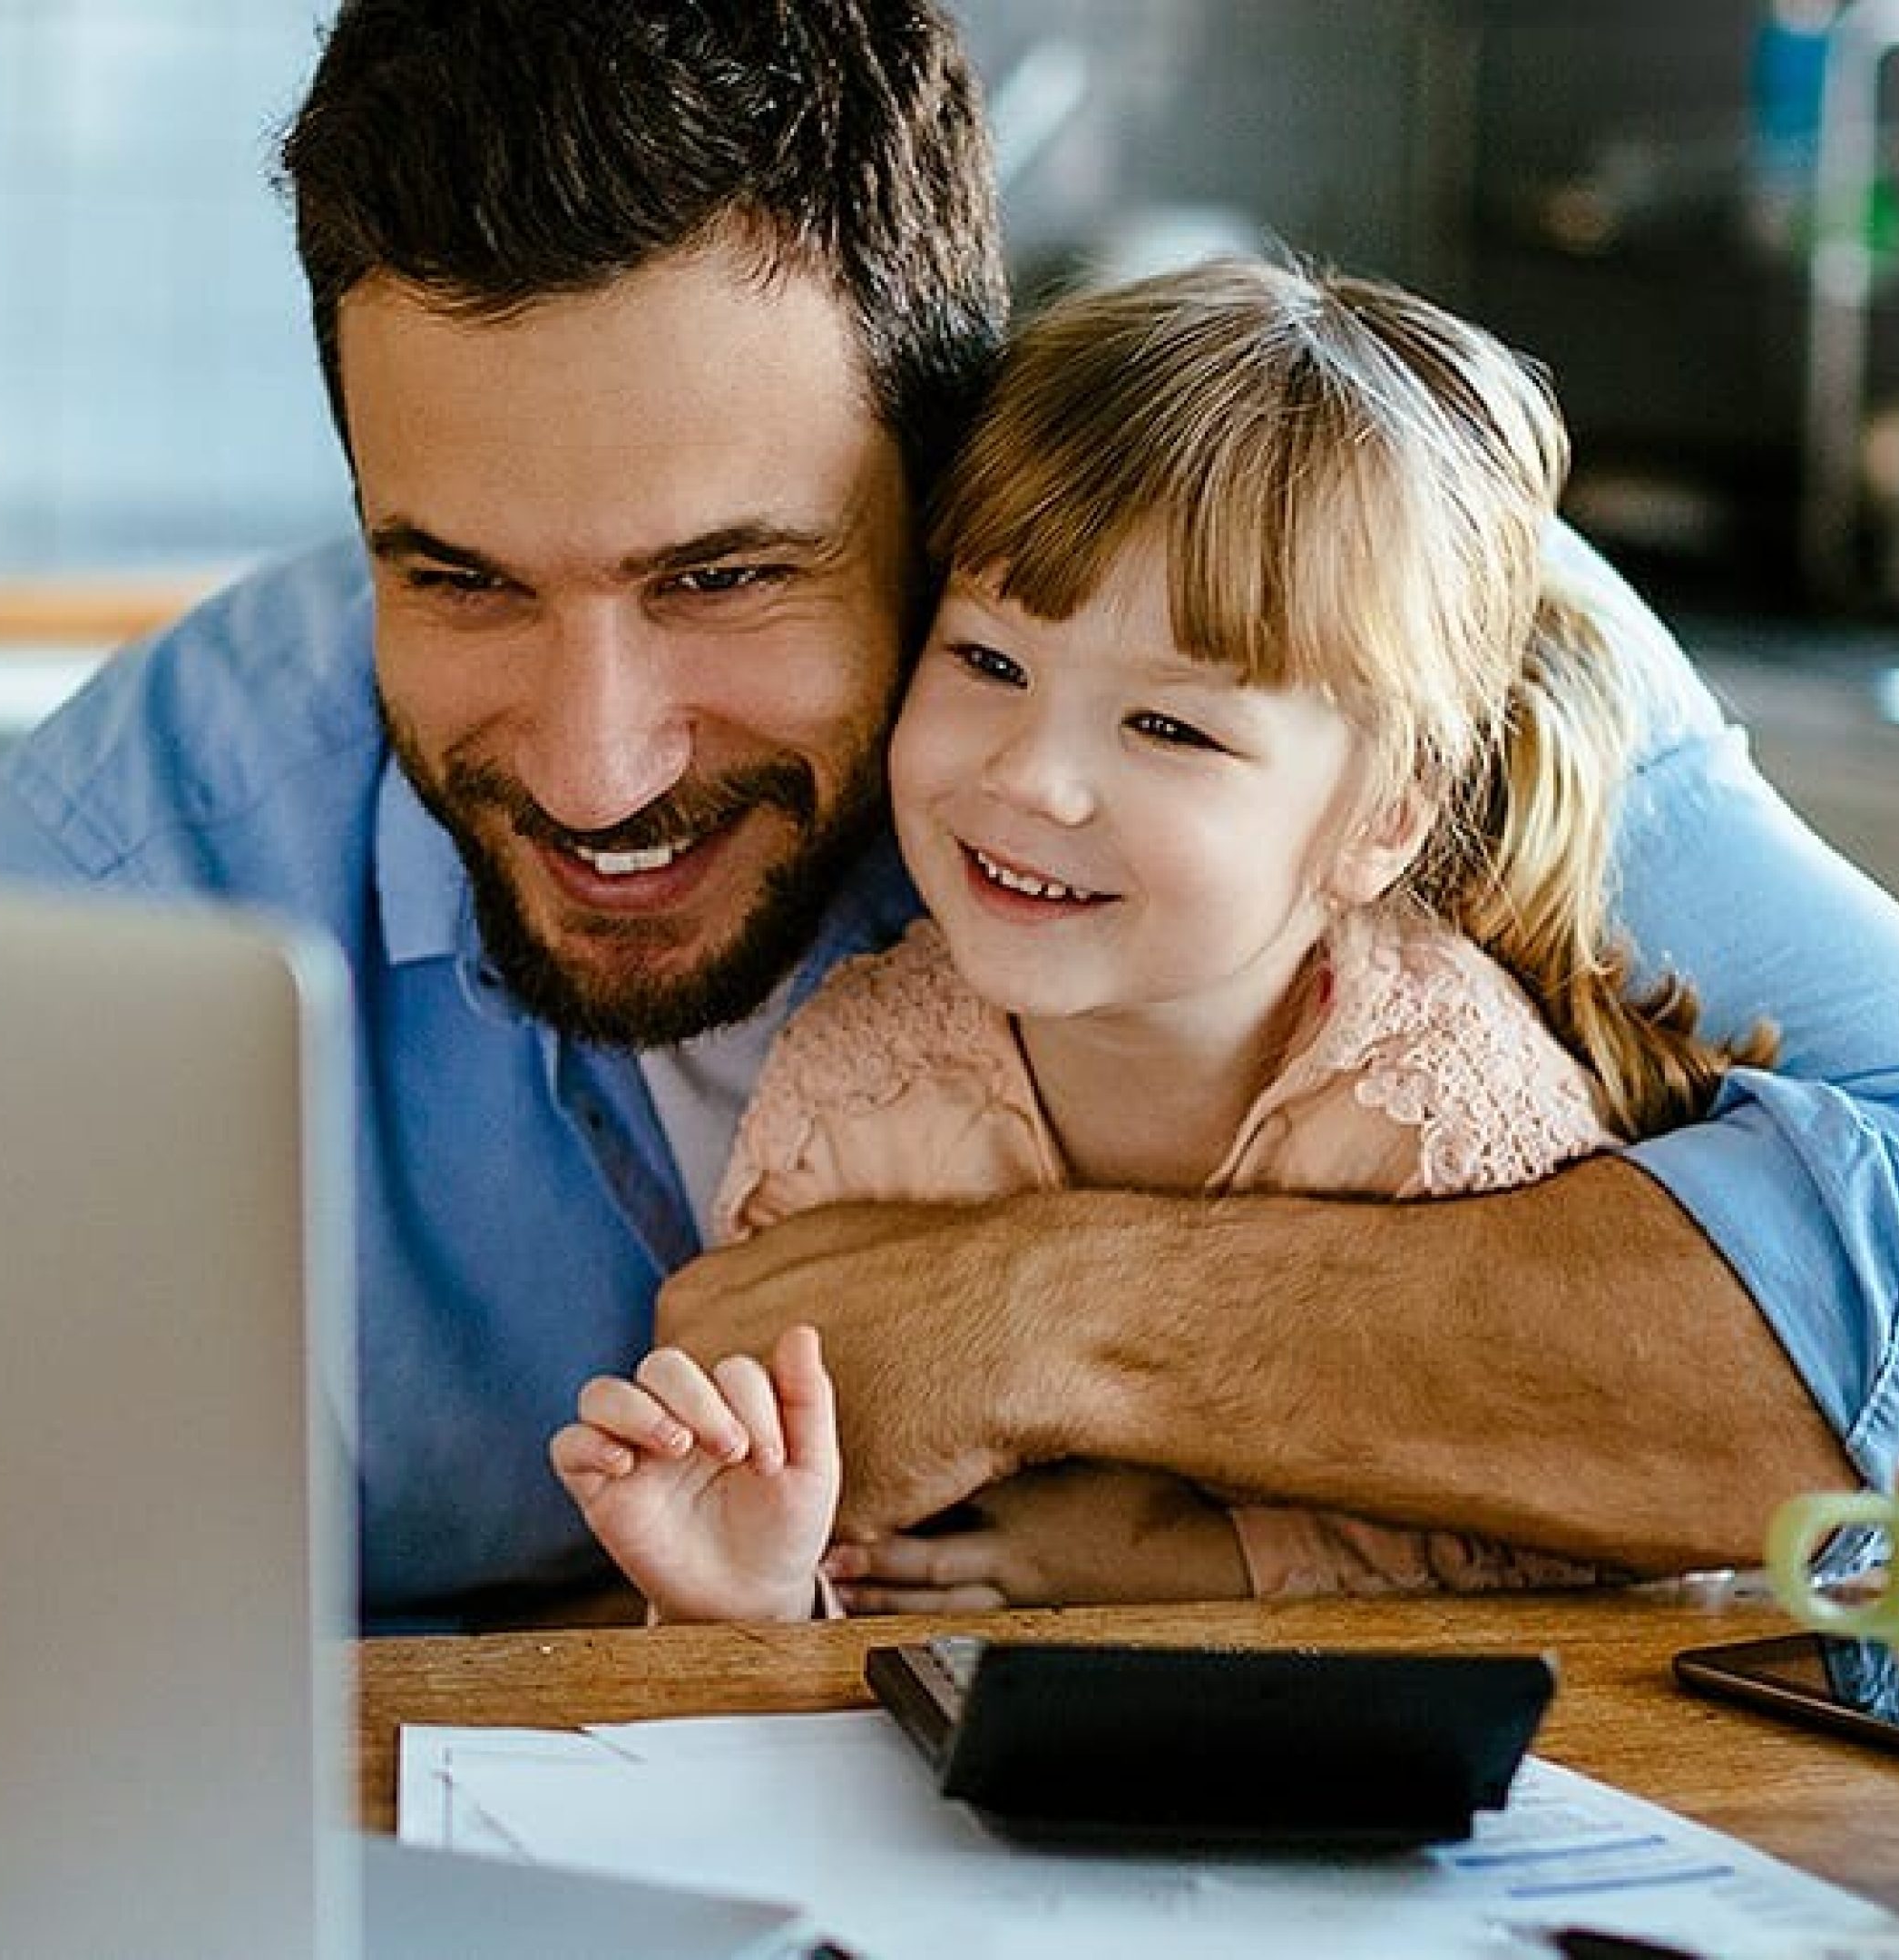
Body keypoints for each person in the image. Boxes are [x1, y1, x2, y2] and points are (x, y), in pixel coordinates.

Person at [0, 0, 1899, 1628]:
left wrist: (1025, 1315)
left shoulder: (1307, 628)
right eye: (455, 577)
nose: (599, 760)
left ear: (956, 471)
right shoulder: (139, 861)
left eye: (728, 576)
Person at [555, 259, 1773, 1621]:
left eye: (1171, 727)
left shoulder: (1449, 1122)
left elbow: (1601, 1547)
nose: (1034, 780)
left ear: (1383, 817)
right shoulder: (854, 1085)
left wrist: (1171, 1564)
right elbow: (839, 1572)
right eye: (990, 664)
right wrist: (755, 1581)